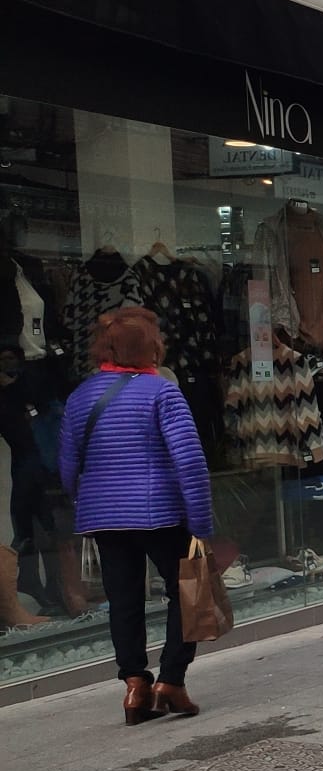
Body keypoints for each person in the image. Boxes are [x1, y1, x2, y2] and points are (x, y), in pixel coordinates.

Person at [57, 308, 214, 725]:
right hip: (161, 513)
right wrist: (200, 522)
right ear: (152, 347)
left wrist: (91, 502)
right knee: (189, 590)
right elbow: (190, 461)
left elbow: (68, 466)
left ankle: (134, 686)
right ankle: (171, 681)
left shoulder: (80, 397)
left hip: (105, 518)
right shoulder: (161, 392)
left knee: (123, 601)